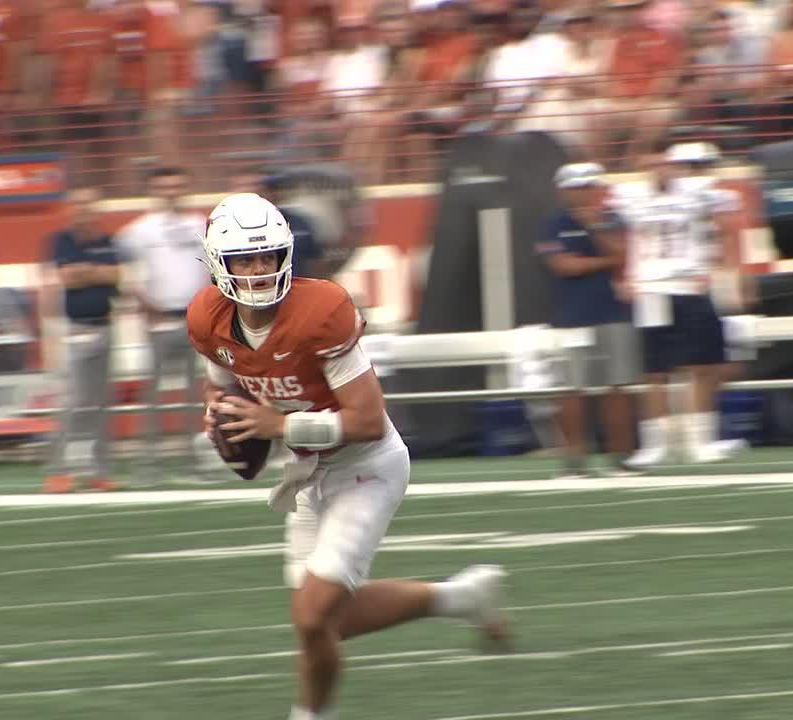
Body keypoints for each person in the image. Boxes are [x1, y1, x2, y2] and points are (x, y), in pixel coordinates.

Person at [187, 193, 508, 720]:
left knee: (314, 615)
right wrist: (218, 413)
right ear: (219, 264)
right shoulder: (208, 318)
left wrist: (280, 425)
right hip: (311, 470)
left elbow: (366, 421)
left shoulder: (321, 311)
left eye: (268, 256)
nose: (259, 269)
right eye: (246, 259)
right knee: (320, 620)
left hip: (367, 465)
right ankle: (460, 599)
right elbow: (221, 382)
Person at [612, 142, 744, 469]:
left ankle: (700, 442)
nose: (660, 170)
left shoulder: (700, 192)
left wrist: (723, 273)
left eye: (665, 163)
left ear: (675, 165)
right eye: (653, 164)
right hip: (651, 290)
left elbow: (728, 229)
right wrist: (625, 275)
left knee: (702, 366)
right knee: (655, 371)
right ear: (644, 166)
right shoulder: (629, 197)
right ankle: (656, 445)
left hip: (689, 286)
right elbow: (621, 239)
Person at [536, 163, 639, 476]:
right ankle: (574, 460)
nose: (584, 192)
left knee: (617, 387)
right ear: (563, 190)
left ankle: (620, 457)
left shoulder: (613, 219)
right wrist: (607, 261)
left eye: (589, 186)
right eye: (578, 187)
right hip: (572, 317)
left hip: (613, 315)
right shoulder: (551, 223)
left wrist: (594, 226)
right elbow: (564, 266)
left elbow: (623, 255)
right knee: (572, 388)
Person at [115, 167, 208, 481]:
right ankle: (147, 464)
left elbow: (211, 270)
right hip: (158, 321)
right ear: (153, 190)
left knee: (194, 396)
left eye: (176, 185)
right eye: (164, 186)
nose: (171, 191)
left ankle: (191, 459)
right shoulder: (139, 230)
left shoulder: (199, 225)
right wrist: (143, 304)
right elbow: (125, 274)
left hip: (192, 318)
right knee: (152, 396)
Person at [44, 188, 124, 494]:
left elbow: (115, 276)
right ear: (69, 209)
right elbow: (67, 277)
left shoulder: (107, 242)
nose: (84, 210)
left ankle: (98, 472)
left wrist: (86, 271)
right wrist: (97, 272)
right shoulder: (61, 240)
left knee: (101, 404)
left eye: (89, 205)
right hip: (76, 329)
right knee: (72, 404)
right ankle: (58, 471)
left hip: (105, 326)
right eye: (78, 205)